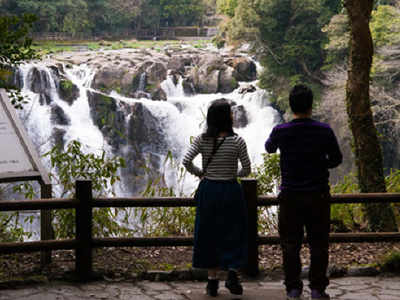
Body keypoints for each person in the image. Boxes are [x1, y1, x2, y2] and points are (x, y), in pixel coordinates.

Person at [265, 84, 342, 300]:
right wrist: (319, 163)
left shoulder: (281, 131)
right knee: (319, 243)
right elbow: (336, 159)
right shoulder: (324, 130)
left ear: (291, 106)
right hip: (318, 194)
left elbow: (269, 147)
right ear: (311, 105)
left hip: (290, 195)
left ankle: (293, 288)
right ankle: (317, 289)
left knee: (290, 244)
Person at [182, 98, 251, 297]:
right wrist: (231, 174)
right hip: (230, 190)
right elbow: (246, 170)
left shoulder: (202, 139)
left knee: (209, 233)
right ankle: (232, 275)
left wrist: (201, 173)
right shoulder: (237, 141)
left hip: (209, 190)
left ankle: (212, 282)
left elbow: (186, 161)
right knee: (234, 232)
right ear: (227, 118)